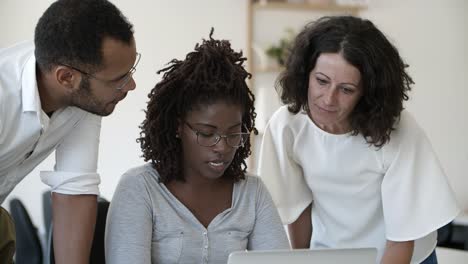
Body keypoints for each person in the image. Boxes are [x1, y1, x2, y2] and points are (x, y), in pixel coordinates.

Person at [258, 16, 459, 264]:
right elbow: (297, 208)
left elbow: (402, 238)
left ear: (367, 92)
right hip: (331, 254)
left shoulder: (397, 130)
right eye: (321, 81)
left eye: (346, 89)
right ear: (305, 74)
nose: (328, 99)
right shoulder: (287, 126)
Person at [105, 30, 290, 264]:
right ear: (178, 127)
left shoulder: (252, 193)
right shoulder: (140, 189)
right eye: (206, 133)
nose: (222, 147)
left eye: (234, 133)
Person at [0, 0, 138, 263]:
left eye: (130, 71)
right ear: (66, 78)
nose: (131, 85)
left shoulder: (84, 99)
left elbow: (74, 188)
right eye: (118, 79)